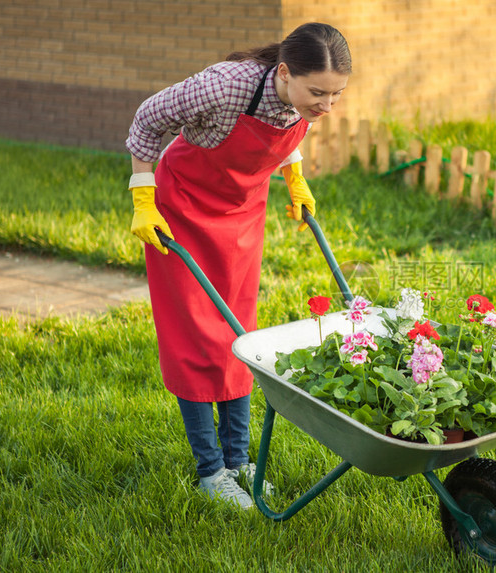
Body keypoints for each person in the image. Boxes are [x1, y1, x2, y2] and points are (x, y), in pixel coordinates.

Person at [125, 23, 351, 509]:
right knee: (194, 338)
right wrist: (144, 197)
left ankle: (240, 461)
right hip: (182, 208)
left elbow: (287, 129)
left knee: (237, 333)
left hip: (241, 215)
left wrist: (295, 176)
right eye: (318, 92)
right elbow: (147, 120)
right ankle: (211, 471)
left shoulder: (299, 97)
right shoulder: (226, 85)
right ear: (285, 73)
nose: (327, 106)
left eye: (337, 94)